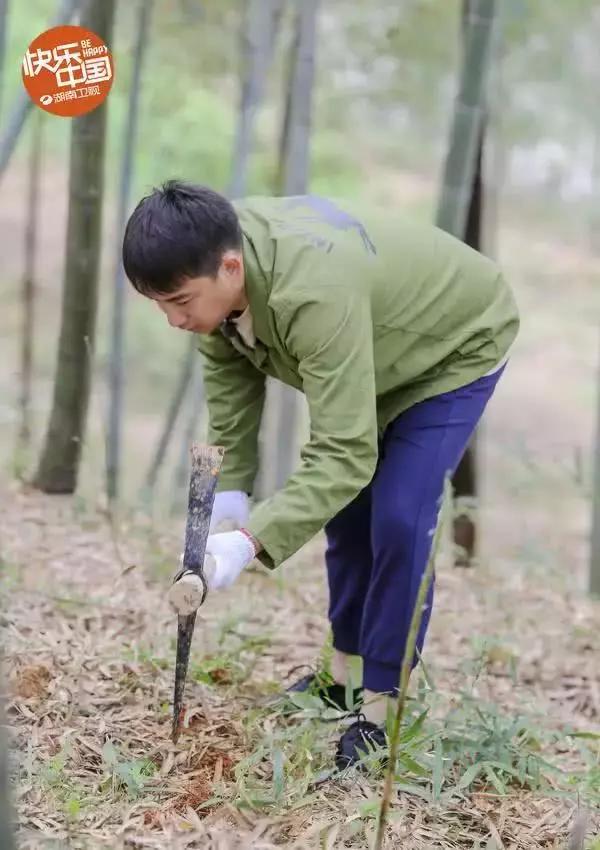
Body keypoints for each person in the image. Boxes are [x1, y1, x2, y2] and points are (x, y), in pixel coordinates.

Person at [122, 180, 519, 769]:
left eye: (180, 301)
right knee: (348, 513)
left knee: (399, 516)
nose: (174, 320)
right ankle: (343, 679)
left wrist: (250, 541)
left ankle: (385, 708)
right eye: (160, 305)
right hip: (376, 346)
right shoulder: (214, 272)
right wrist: (232, 492)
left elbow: (343, 455)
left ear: (232, 267)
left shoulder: (311, 292)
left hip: (451, 346)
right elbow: (231, 389)